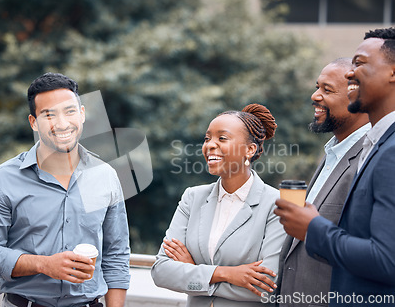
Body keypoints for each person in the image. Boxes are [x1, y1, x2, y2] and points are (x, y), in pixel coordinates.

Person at [0, 72, 130, 307]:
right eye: (49, 114)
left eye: (69, 111)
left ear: (82, 114)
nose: (62, 123)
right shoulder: (0, 181)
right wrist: (43, 264)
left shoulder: (105, 176)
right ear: (33, 122)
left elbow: (116, 254)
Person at [275, 27, 395, 306]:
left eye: (360, 63)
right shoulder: (370, 146)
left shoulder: (390, 151)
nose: (351, 74)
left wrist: (312, 229)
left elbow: (386, 258)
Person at [151, 104, 286, 307]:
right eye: (207, 139)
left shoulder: (277, 205)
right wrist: (227, 273)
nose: (210, 145)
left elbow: (266, 286)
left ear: (250, 150)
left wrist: (194, 271)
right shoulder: (192, 198)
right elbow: (161, 271)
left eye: (222, 138)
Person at [275, 58, 370, 307]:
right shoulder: (333, 154)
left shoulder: (369, 159)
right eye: (317, 87)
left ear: (359, 99)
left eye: (327, 90)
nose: (314, 96)